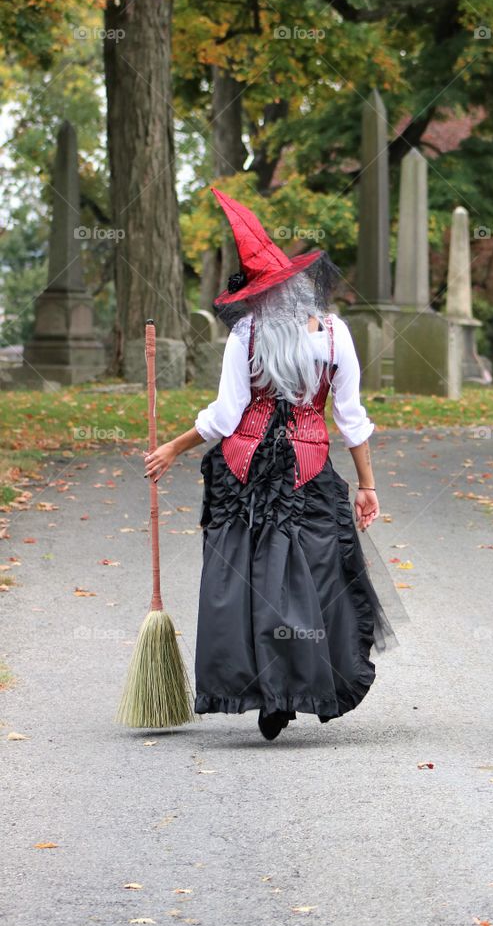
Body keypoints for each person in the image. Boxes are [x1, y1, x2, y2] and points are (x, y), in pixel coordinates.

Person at [143, 188, 399, 740]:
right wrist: (367, 484)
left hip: (244, 470)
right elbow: (351, 418)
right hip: (308, 466)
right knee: (313, 576)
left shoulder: (247, 333)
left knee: (246, 580)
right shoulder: (335, 334)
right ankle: (290, 688)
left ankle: (268, 690)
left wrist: (173, 447)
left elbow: (225, 416)